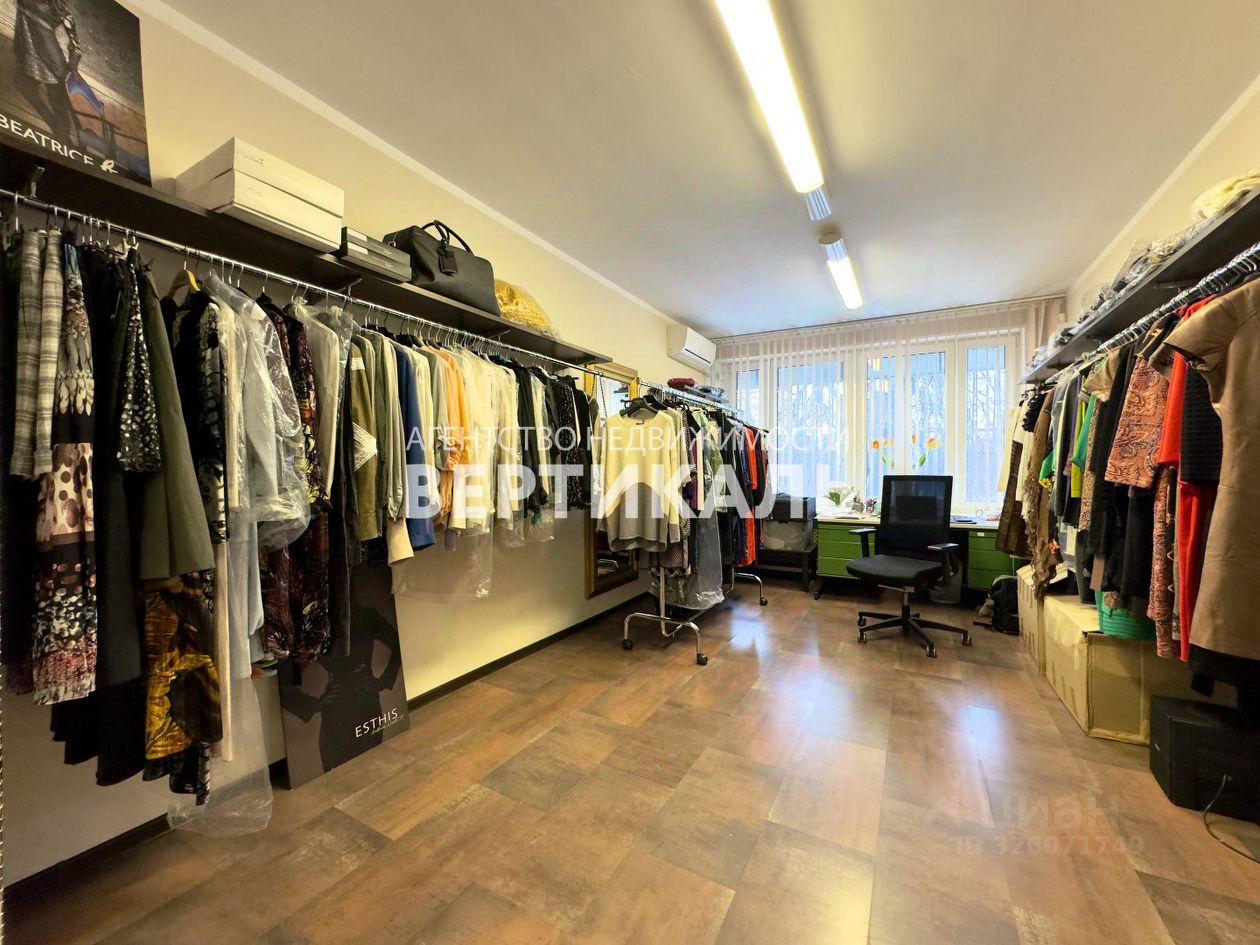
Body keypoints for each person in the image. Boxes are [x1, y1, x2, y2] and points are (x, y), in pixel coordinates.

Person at [13, 0, 82, 147]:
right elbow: (76, 48)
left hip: (46, 64)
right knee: (25, 86)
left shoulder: (60, 11)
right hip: (38, 61)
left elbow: (75, 48)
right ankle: (63, 139)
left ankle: (63, 140)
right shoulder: (64, 12)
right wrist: (73, 69)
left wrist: (72, 71)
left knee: (57, 106)